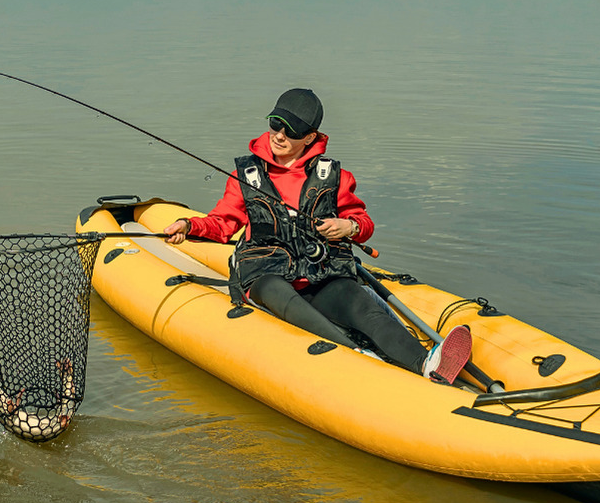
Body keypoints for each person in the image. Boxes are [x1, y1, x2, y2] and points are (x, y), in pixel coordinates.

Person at [163, 88, 470, 384]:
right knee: (277, 292)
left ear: (310, 137)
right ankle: (359, 357)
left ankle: (425, 364)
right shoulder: (247, 176)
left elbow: (363, 223)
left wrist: (348, 227)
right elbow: (223, 222)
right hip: (265, 275)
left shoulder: (335, 177)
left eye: (291, 131)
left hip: (320, 276)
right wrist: (189, 226)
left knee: (357, 300)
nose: (279, 135)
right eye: (275, 124)